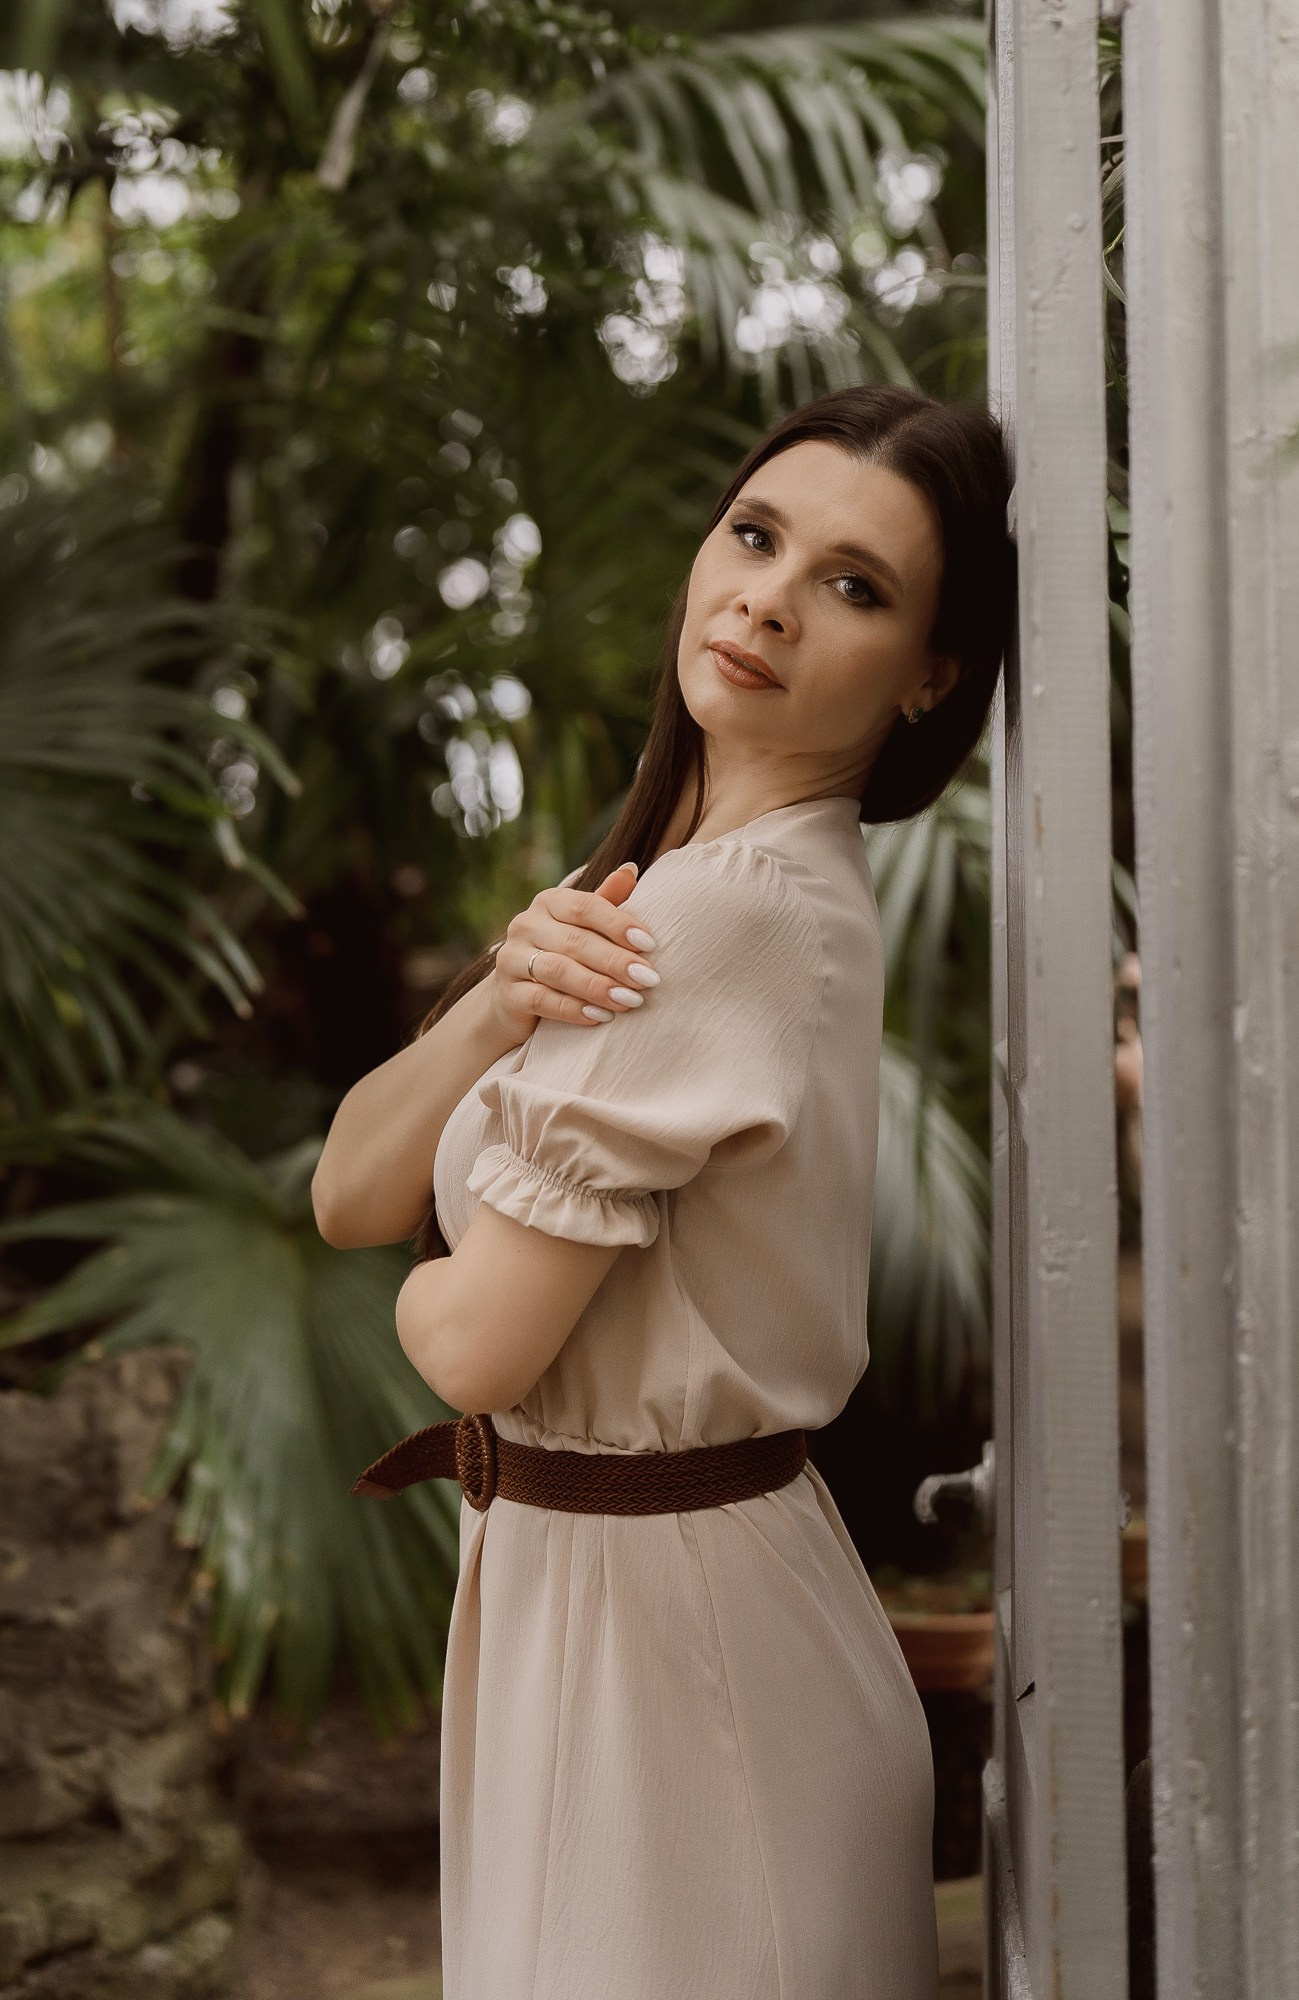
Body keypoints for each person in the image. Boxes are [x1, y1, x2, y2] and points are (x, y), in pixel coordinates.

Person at [312, 383, 1017, 2000]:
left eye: (853, 585)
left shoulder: (725, 915)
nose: (767, 599)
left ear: (929, 674)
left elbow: (472, 1346)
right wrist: (499, 999)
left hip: (672, 1647)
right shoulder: (660, 892)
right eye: (754, 536)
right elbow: (349, 1188)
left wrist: (434, 1281)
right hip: (624, 1609)